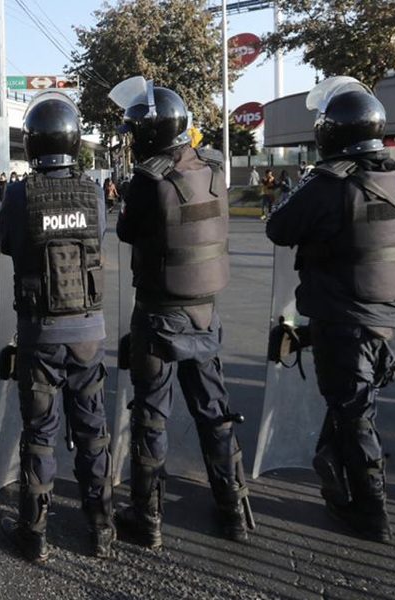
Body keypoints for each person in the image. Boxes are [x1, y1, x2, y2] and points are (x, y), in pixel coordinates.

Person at [266, 76, 395, 542]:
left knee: (354, 414)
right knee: (359, 407)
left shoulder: (328, 183)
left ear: (331, 131)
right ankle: (341, 481)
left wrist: (310, 178)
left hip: (347, 319)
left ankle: (371, 511)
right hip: (394, 320)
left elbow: (279, 227)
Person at [110, 76, 251, 547]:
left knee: (152, 413)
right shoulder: (212, 168)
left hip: (159, 314)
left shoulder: (150, 181)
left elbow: (127, 231)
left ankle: (146, 517)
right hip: (206, 313)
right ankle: (233, 508)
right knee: (214, 410)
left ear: (150, 133)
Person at [0, 92, 113, 562]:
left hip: (40, 335)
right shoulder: (91, 191)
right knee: (92, 431)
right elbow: (98, 237)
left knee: (40, 433)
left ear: (32, 142)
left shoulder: (20, 194)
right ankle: (101, 529)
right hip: (88, 333)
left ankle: (35, 533)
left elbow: (6, 242)